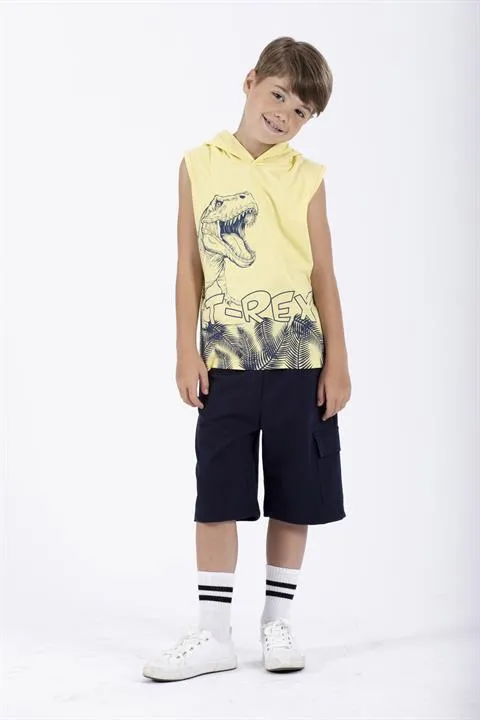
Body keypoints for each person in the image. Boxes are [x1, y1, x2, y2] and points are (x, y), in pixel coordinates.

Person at [143, 36, 351, 683]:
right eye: (278, 95)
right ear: (251, 81)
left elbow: (323, 274)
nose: (284, 114)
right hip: (225, 363)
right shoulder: (198, 164)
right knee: (218, 495)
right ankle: (212, 635)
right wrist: (186, 349)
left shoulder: (307, 177)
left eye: (300, 110)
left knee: (295, 493)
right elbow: (189, 266)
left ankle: (277, 623)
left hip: (299, 362)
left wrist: (338, 362)